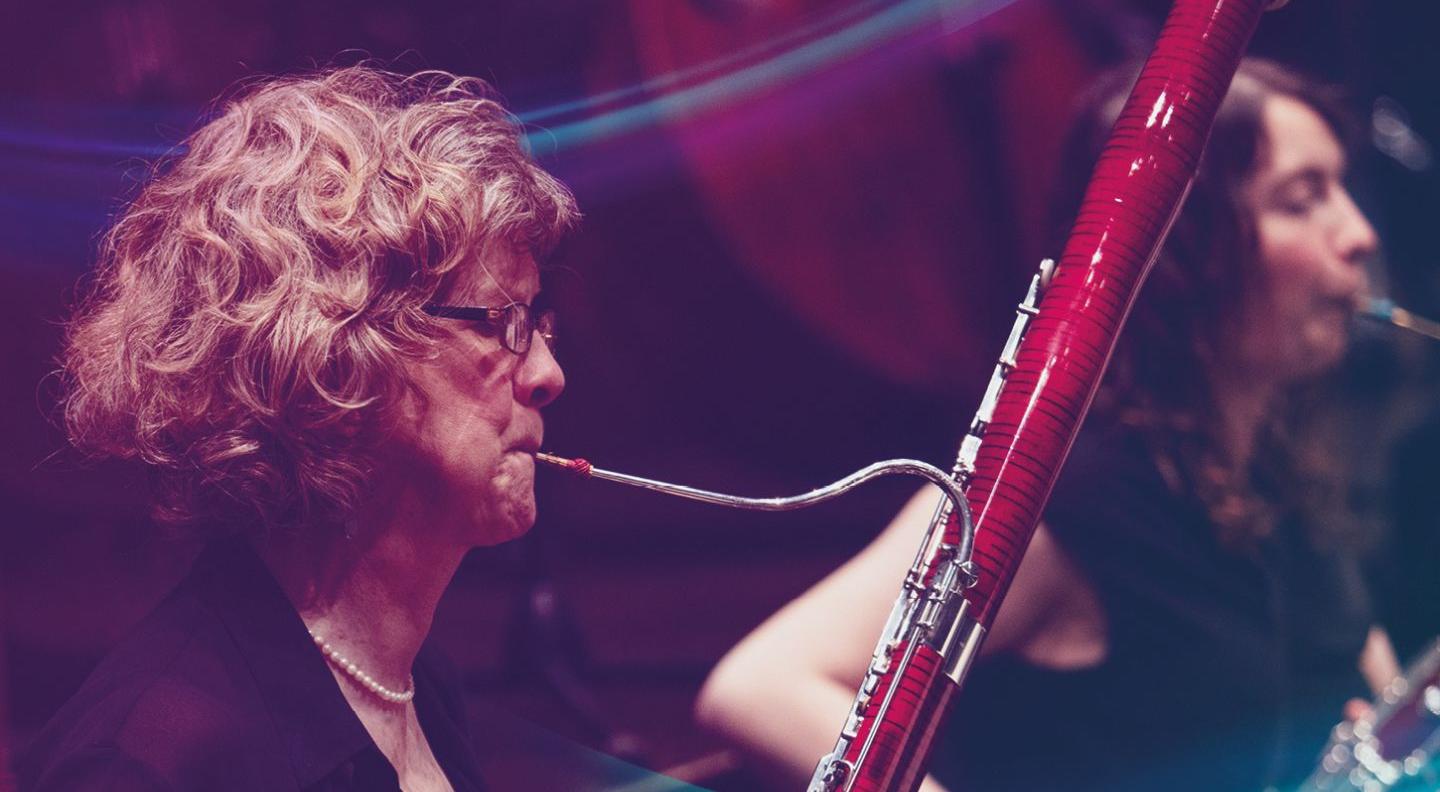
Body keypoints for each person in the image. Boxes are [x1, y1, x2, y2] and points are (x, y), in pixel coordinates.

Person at [695, 58, 1401, 792]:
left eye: (1341, 190)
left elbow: (1368, 706)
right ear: (1185, 251)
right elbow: (760, 686)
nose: (1357, 235)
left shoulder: (1275, 485)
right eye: (1302, 199)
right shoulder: (1066, 493)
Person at [20, 65, 575, 791]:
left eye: (537, 323)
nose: (547, 374)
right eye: (504, 322)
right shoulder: (148, 762)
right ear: (339, 357)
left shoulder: (414, 681)